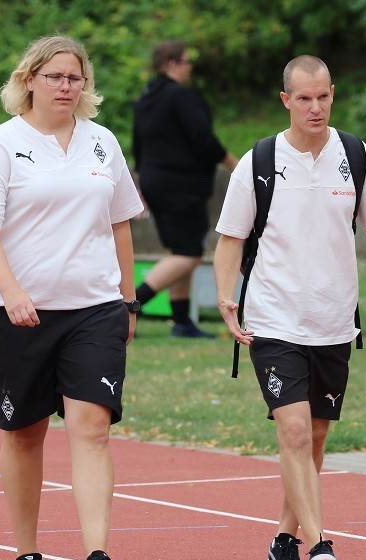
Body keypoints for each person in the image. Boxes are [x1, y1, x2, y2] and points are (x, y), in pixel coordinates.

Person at [213, 55, 366, 560]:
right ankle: (318, 544)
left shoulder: (355, 155)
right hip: (273, 318)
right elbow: (230, 240)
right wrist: (228, 299)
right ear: (285, 100)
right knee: (292, 430)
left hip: (334, 321)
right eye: (304, 99)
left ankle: (283, 541)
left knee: (313, 438)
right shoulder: (259, 161)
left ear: (332, 94)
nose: (315, 108)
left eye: (323, 97)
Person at [0, 35, 142, 560]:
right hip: (17, 314)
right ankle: (27, 555)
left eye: (75, 77)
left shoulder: (103, 143)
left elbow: (121, 223)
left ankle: (96, 557)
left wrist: (129, 300)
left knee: (92, 427)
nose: (66, 86)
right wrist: (11, 292)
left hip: (93, 308)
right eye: (55, 76)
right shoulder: (1, 145)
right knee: (24, 434)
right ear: (29, 79)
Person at [132, 39, 238, 338]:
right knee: (189, 255)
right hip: (181, 185)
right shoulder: (180, 96)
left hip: (156, 182)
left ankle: (182, 322)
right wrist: (234, 163)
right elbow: (203, 138)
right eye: (186, 61)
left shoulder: (147, 97)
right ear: (172, 64)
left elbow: (138, 146)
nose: (190, 66)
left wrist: (140, 185)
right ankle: (128, 308)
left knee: (181, 250)